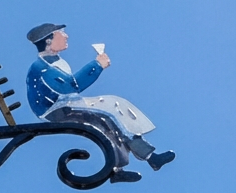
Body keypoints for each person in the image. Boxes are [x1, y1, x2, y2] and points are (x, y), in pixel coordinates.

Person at [25, 23, 174, 184]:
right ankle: (146, 158)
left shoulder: (56, 62)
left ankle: (125, 166)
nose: (66, 35)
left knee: (107, 122)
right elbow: (70, 86)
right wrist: (97, 65)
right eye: (60, 33)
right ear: (49, 40)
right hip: (56, 109)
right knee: (113, 107)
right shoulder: (42, 67)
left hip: (66, 104)